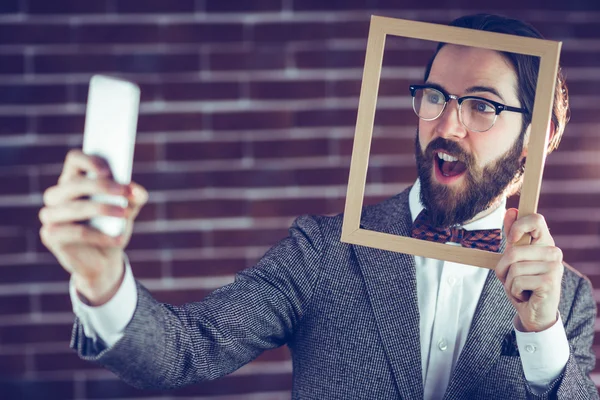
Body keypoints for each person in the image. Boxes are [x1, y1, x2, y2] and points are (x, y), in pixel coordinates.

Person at [39, 13, 598, 399]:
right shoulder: (324, 251)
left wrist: (541, 332)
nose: (445, 126)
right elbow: (185, 352)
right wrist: (103, 281)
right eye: (434, 97)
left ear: (539, 136)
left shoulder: (567, 300)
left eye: (480, 105)